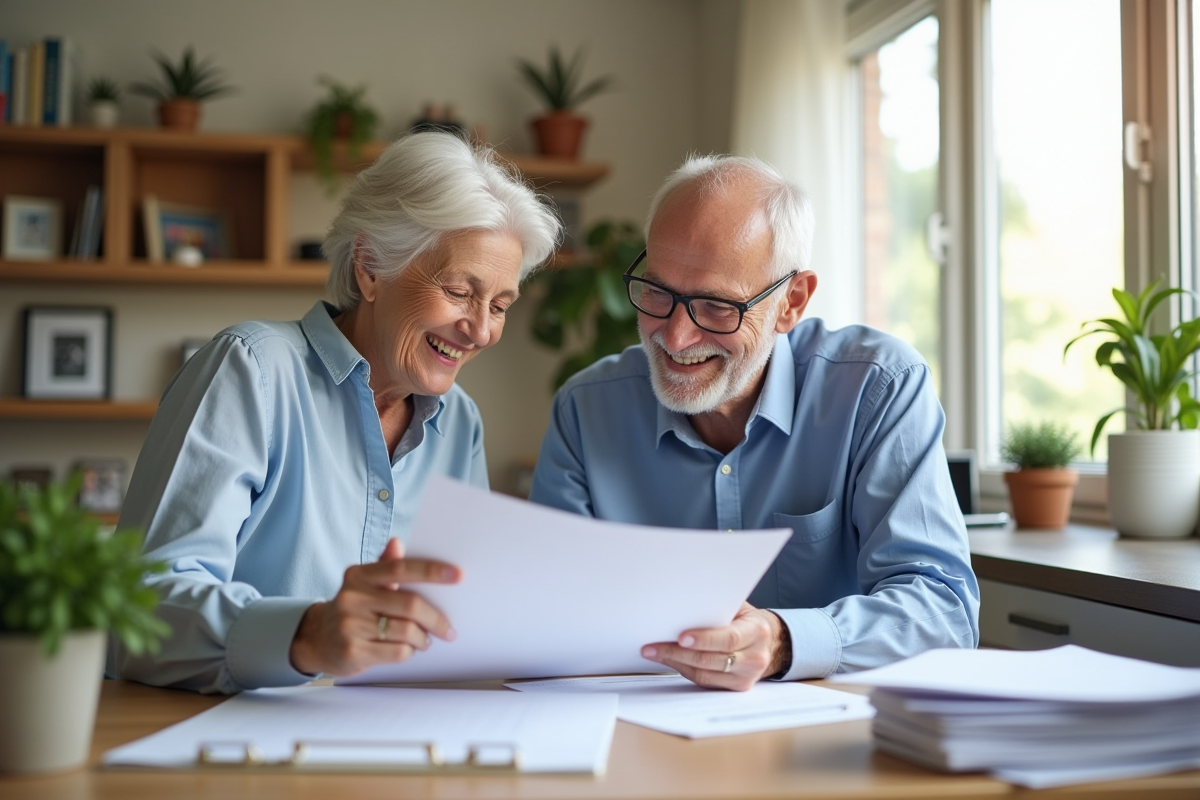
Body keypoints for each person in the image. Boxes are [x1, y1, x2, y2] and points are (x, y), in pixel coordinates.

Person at [108, 131, 561, 694]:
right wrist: (304, 634)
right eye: (458, 291)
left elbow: (455, 620)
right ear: (370, 267)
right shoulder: (251, 371)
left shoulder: (460, 421)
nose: (481, 330)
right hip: (235, 747)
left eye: (499, 305)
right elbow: (142, 611)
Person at [529, 154, 979, 691]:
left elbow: (944, 611)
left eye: (717, 306)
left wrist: (784, 641)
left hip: (827, 747)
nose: (674, 338)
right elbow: (544, 617)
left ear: (791, 302)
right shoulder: (586, 410)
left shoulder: (877, 389)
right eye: (658, 292)